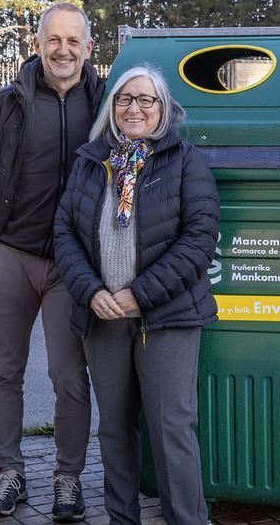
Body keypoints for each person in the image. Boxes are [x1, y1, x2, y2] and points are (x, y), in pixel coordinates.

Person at [0, 2, 105, 521]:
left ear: (90, 47)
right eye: (53, 40)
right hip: (13, 257)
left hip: (73, 266)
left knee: (69, 375)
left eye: (73, 41)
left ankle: (68, 479)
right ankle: (10, 472)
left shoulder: (106, 104)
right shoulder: (7, 104)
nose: (62, 50)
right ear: (38, 45)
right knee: (6, 369)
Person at [53, 64, 220, 524]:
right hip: (102, 318)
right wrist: (90, 292)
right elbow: (63, 231)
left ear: (163, 110)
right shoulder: (90, 161)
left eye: (147, 100)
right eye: (125, 99)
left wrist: (138, 295)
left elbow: (199, 238)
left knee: (171, 429)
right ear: (112, 108)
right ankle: (121, 519)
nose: (135, 108)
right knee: (113, 430)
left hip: (166, 317)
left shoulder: (185, 161)